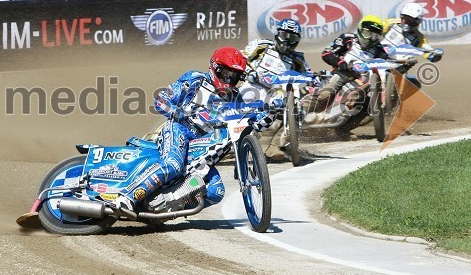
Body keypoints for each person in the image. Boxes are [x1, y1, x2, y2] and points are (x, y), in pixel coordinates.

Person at [112, 47, 282, 211]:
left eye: (235, 77)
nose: (229, 80)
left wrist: (272, 112)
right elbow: (161, 100)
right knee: (173, 164)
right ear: (215, 68)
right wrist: (178, 113)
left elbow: (253, 125)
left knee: (216, 191)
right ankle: (126, 198)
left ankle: (164, 207)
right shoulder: (195, 79)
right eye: (226, 74)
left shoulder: (236, 99)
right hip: (180, 130)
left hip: (203, 146)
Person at [239, 19, 312, 161]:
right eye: (285, 36)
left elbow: (308, 76)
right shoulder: (261, 46)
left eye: (293, 38)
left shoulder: (298, 59)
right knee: (236, 109)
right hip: (254, 85)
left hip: (276, 93)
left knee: (296, 108)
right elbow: (241, 57)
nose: (288, 40)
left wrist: (316, 78)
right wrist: (249, 71)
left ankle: (278, 146)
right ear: (278, 34)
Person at [305, 15, 387, 123]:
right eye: (368, 34)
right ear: (361, 30)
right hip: (343, 73)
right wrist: (341, 63)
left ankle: (343, 131)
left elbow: (387, 65)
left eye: (375, 36)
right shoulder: (347, 38)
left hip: (364, 83)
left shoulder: (380, 50)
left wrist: (403, 64)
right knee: (326, 94)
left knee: (371, 109)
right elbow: (327, 53)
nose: (371, 38)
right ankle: (302, 113)